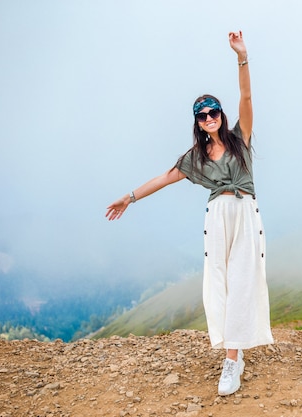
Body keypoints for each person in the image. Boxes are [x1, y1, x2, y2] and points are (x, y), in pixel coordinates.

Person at [105, 31, 274, 396]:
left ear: (221, 115)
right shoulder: (194, 158)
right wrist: (128, 197)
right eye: (203, 115)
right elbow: (164, 179)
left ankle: (233, 360)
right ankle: (232, 352)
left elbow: (246, 96)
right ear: (198, 122)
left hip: (245, 212)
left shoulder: (240, 137)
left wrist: (241, 57)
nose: (210, 117)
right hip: (217, 217)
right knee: (219, 284)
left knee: (243, 282)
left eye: (214, 111)